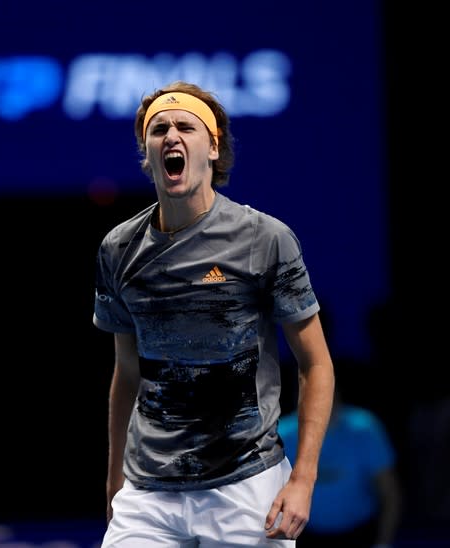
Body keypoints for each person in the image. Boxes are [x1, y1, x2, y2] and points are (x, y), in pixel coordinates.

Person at [91, 80, 335, 546]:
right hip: (148, 491)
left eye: (186, 125)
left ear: (213, 146)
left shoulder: (265, 239)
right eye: (159, 129)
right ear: (149, 150)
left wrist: (303, 479)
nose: (171, 136)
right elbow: (126, 373)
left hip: (247, 485)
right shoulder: (118, 248)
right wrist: (113, 480)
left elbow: (316, 364)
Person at [277, 361, 402, 547]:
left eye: (323, 392)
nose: (317, 400)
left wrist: (383, 543)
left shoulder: (364, 428)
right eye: (308, 393)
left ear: (337, 392)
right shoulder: (283, 432)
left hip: (359, 533)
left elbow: (390, 492)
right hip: (304, 535)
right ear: (299, 396)